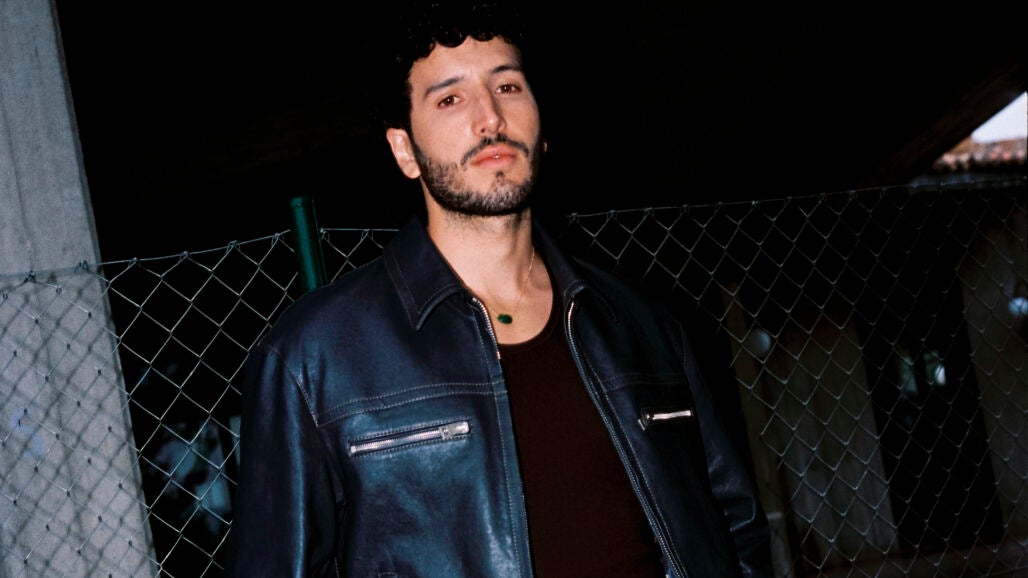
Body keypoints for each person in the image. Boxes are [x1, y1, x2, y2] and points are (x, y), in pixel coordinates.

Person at [226, 1, 773, 576]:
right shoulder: (314, 357)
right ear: (405, 150)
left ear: (543, 125)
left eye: (507, 86)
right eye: (450, 99)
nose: (490, 118)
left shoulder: (644, 327)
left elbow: (735, 532)